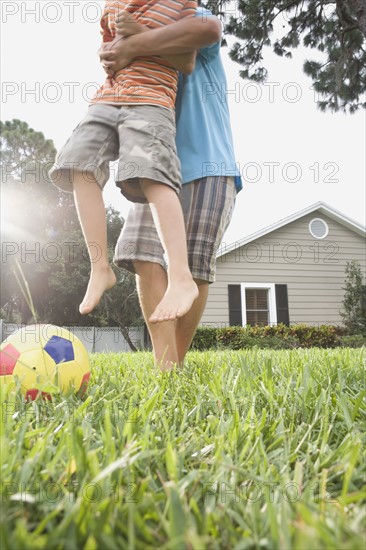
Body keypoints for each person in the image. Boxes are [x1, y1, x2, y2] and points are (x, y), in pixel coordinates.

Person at [107, 5, 243, 369]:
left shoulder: (187, 19)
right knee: (142, 253)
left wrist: (137, 39)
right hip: (154, 165)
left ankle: (175, 364)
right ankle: (165, 367)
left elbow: (210, 29)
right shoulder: (137, 38)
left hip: (209, 163)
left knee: (195, 268)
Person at [49, 0, 199, 323]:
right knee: (78, 161)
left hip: (151, 99)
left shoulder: (181, 3)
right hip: (107, 98)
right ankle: (100, 267)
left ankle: (181, 276)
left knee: (152, 174)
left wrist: (141, 36)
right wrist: (107, 55)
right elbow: (109, 48)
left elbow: (186, 61)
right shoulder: (113, 4)